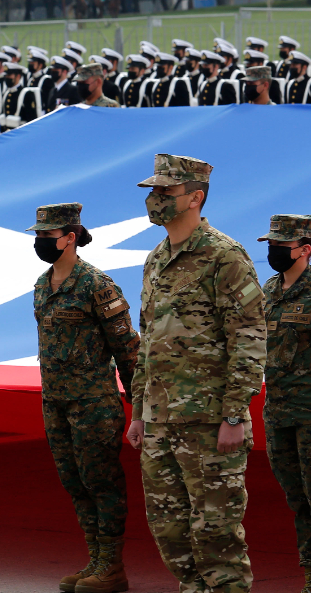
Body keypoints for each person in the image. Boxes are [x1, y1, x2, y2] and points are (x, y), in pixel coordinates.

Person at [126, 154, 264, 593]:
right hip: (161, 420)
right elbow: (146, 342)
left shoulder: (225, 257)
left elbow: (248, 336)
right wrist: (139, 411)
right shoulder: (155, 259)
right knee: (170, 532)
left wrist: (234, 413)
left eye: (166, 192)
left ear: (195, 197)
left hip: (208, 421)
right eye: (152, 192)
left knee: (216, 536)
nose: (154, 200)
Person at [28, 203, 139, 593]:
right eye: (38, 235)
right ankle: (94, 559)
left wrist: (139, 408)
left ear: (70, 237)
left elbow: (128, 350)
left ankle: (111, 565)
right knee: (73, 482)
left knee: (101, 481)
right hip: (55, 402)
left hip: (93, 404)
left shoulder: (97, 285)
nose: (40, 242)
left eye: (47, 236)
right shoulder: (43, 284)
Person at [256, 214, 311, 589]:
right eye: (271, 245)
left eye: (282, 246)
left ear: (305, 250)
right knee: (298, 501)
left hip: (309, 415)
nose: (274, 251)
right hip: (277, 412)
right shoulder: (269, 290)